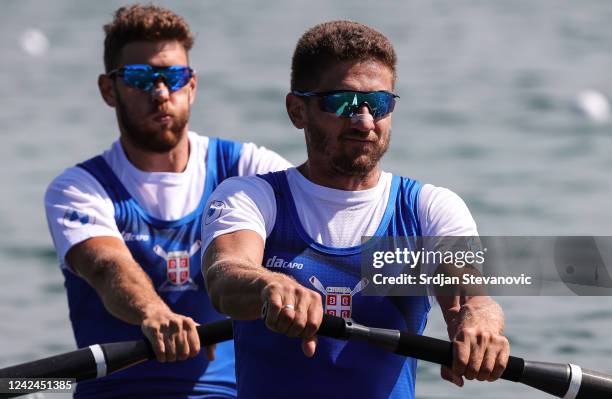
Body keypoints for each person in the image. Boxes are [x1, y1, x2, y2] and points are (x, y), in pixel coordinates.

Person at [201, 20, 509, 398]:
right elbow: (225, 276)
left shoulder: (430, 209)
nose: (364, 121)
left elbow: (469, 294)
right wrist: (270, 285)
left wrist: (480, 321)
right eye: (343, 103)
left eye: (379, 104)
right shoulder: (251, 197)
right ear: (297, 110)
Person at [44, 4, 290, 398]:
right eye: (141, 78)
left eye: (173, 76)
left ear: (191, 85)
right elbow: (108, 266)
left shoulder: (247, 167)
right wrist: (153, 313)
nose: (161, 92)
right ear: (109, 90)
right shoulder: (78, 187)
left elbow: (327, 228)